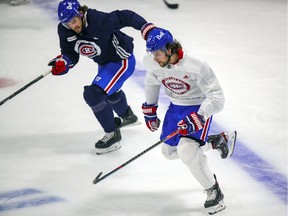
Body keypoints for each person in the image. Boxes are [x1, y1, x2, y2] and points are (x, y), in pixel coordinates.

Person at [142, 27, 237, 214]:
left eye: (158, 53)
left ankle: (213, 190)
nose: (154, 58)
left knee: (186, 150)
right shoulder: (153, 63)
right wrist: (150, 109)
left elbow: (217, 98)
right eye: (152, 54)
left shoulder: (196, 65)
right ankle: (216, 141)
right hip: (175, 108)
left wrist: (200, 117)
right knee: (168, 152)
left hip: (197, 106)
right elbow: (151, 82)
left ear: (170, 50)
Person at [48, 0, 157, 154]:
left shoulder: (97, 20)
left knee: (94, 94)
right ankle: (128, 117)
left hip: (121, 61)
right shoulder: (64, 30)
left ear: (80, 13)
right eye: (68, 23)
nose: (73, 26)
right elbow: (70, 52)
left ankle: (113, 134)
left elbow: (125, 16)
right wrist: (64, 62)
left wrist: (147, 28)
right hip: (105, 63)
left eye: (74, 21)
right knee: (110, 92)